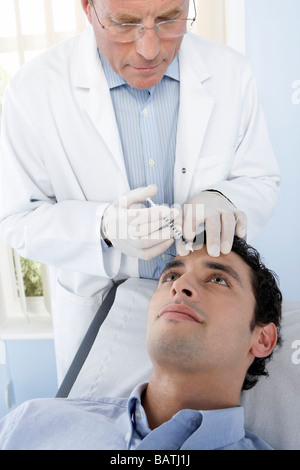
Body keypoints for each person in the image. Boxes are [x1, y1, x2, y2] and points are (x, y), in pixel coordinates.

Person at [0, 0, 280, 379]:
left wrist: (224, 199)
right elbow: (17, 218)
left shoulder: (230, 72)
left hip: (206, 323)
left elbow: (259, 179)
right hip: (99, 312)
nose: (150, 49)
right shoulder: (33, 90)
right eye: (124, 23)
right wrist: (102, 228)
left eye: (168, 19)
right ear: (88, 8)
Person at [0, 237, 282, 450]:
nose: (179, 285)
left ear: (262, 338)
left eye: (218, 279)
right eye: (171, 275)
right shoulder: (30, 422)